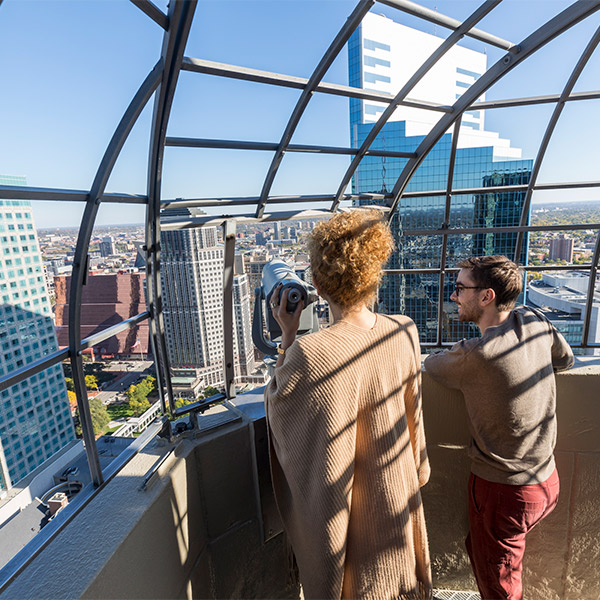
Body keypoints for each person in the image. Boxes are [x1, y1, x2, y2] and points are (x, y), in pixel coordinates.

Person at [264, 210, 432, 600]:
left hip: (352, 512)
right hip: (397, 495)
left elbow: (279, 405)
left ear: (319, 286)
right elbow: (414, 416)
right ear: (375, 275)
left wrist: (288, 334)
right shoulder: (405, 329)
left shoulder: (309, 351)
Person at [424, 255, 574, 600]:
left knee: (500, 588)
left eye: (460, 288)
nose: (453, 295)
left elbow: (432, 365)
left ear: (486, 296)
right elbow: (565, 359)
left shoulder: (478, 354)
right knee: (488, 556)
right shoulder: (534, 321)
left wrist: (466, 353)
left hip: (504, 491)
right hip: (545, 480)